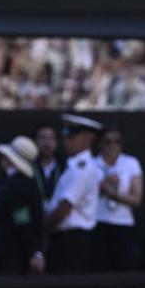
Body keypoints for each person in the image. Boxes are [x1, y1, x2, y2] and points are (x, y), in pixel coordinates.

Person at [43, 114, 103, 273]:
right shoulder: (74, 166)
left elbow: (64, 209)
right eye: (65, 136)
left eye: (71, 136)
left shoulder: (81, 168)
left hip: (71, 241)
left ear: (87, 138)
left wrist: (41, 228)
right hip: (66, 239)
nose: (66, 141)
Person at [0, 136, 46, 275]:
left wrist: (34, 252)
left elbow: (22, 220)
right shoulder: (9, 180)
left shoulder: (19, 185)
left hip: (14, 252)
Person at [93, 124, 144, 271]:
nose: (112, 145)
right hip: (98, 223)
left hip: (123, 224)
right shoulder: (92, 163)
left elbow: (137, 199)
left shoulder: (131, 163)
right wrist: (104, 186)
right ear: (100, 143)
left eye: (117, 141)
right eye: (108, 141)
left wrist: (112, 193)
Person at [34, 124, 62, 201]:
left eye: (51, 138)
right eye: (42, 138)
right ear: (35, 141)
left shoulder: (64, 167)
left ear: (57, 142)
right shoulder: (28, 167)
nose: (47, 143)